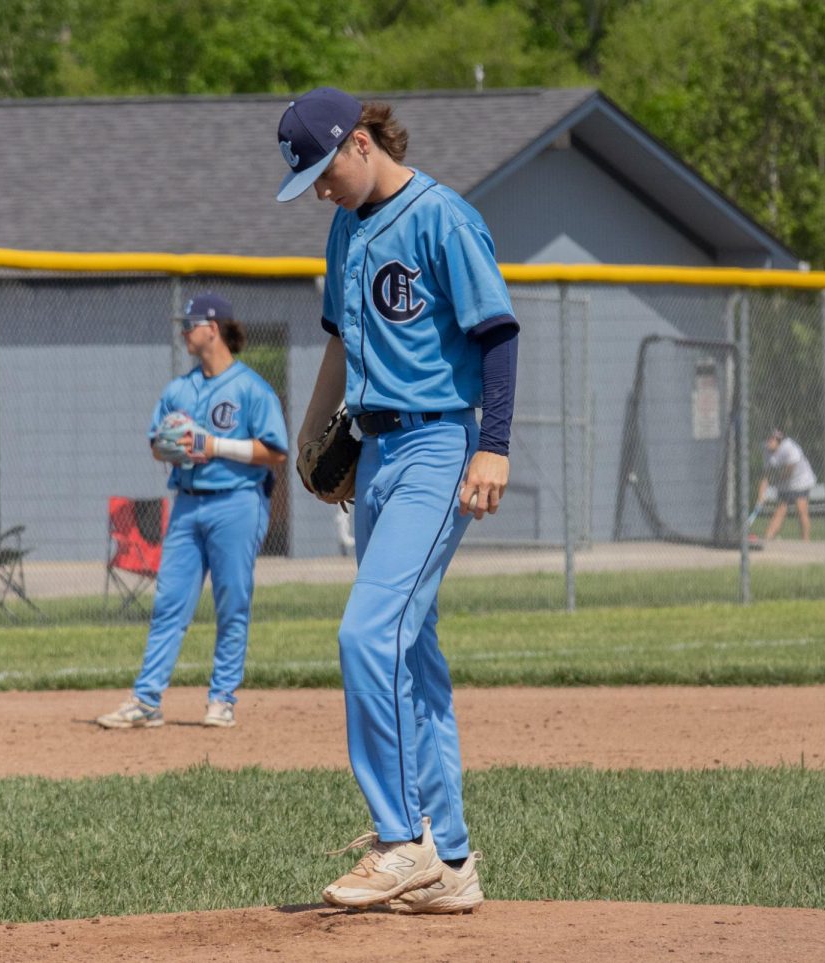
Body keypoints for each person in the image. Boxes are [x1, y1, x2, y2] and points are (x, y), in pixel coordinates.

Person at [276, 87, 519, 914]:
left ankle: (398, 838)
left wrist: (493, 444)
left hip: (438, 446)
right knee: (410, 653)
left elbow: (496, 333)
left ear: (359, 143)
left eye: (321, 170)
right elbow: (341, 342)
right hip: (376, 450)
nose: (318, 189)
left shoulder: (442, 217)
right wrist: (310, 441)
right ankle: (449, 860)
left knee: (367, 631)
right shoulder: (344, 229)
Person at [97, 293, 288, 731]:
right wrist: (169, 447)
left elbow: (275, 451)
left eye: (191, 323)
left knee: (232, 602)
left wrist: (214, 445)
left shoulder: (250, 388)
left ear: (213, 328)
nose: (184, 331)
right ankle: (146, 699)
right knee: (169, 605)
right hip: (186, 504)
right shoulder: (178, 390)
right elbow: (154, 444)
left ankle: (222, 698)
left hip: (237, 503)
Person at [756, 429, 816, 541]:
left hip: (801, 481)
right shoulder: (766, 450)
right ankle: (768, 538)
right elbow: (766, 475)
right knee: (780, 510)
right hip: (784, 483)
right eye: (768, 439)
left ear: (778, 440)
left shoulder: (788, 447)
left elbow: (790, 470)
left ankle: (806, 541)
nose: (768, 442)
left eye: (771, 439)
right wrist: (761, 495)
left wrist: (775, 481)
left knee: (801, 508)